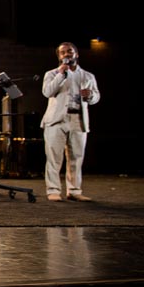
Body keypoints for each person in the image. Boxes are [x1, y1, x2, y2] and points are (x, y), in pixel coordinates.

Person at [41, 42, 100, 202]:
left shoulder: (87, 76)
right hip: (56, 119)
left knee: (76, 157)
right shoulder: (52, 74)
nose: (67, 54)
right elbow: (47, 92)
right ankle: (53, 190)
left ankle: (74, 190)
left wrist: (90, 96)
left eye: (70, 51)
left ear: (76, 54)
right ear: (59, 57)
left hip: (77, 119)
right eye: (63, 53)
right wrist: (61, 74)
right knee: (54, 157)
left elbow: (96, 97)